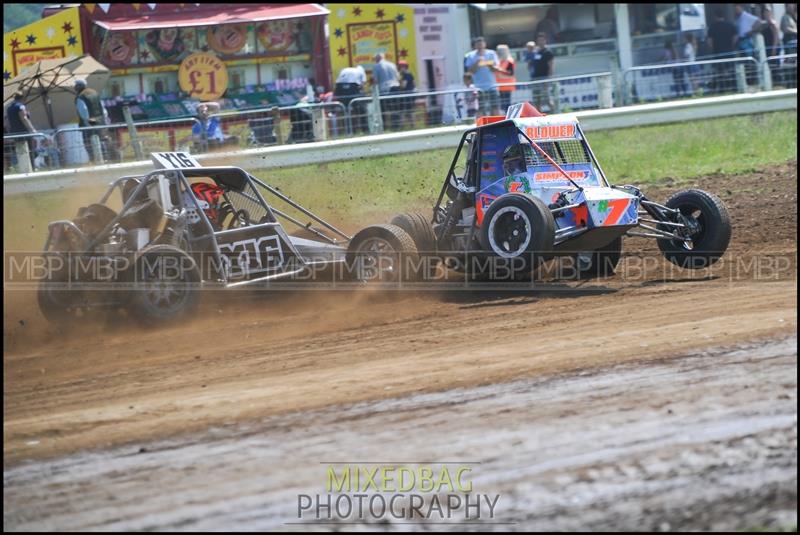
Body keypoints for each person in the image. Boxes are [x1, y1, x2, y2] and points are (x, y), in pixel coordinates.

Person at [75, 78, 112, 163]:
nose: (75, 87)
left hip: (89, 123)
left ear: (79, 86)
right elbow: (103, 108)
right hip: (100, 121)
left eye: (76, 86)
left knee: (88, 143)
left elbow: (84, 111)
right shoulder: (95, 93)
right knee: (101, 139)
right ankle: (105, 158)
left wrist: (88, 123)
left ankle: (94, 160)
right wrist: (103, 120)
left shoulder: (80, 96)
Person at [464, 36, 500, 116]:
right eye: (478, 44)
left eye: (481, 44)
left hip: (492, 86)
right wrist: (477, 63)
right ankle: (481, 127)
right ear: (475, 45)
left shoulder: (492, 53)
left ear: (485, 44)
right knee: (480, 109)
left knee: (495, 107)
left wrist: (488, 64)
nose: (480, 46)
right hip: (478, 87)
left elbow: (496, 69)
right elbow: (469, 72)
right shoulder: (470, 55)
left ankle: (498, 125)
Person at [706, 8, 738, 93]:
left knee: (719, 72)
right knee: (731, 71)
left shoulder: (712, 27)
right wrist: (731, 46)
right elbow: (735, 38)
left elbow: (710, 42)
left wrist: (713, 48)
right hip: (729, 52)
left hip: (718, 54)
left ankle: (722, 89)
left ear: (715, 16)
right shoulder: (730, 25)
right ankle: (734, 87)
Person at [6, 91, 38, 170]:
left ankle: (22, 168)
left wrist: (10, 131)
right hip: (24, 131)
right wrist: (33, 129)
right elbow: (24, 119)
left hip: (15, 132)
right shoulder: (21, 107)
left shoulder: (9, 108)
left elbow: (8, 122)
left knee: (20, 150)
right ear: (22, 98)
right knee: (31, 150)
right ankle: (32, 168)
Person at [334, 65, 367, 133]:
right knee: (361, 110)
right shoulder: (361, 71)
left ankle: (348, 130)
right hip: (352, 87)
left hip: (339, 88)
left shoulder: (346, 69)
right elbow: (363, 84)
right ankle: (365, 129)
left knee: (345, 110)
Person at [373, 53, 401, 130]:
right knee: (396, 108)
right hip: (396, 87)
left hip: (385, 89)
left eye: (375, 59)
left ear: (378, 59)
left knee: (383, 109)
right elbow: (398, 77)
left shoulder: (377, 66)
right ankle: (397, 126)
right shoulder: (392, 64)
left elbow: (375, 80)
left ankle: (384, 127)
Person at [529, 32, 555, 113]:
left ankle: (554, 112)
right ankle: (538, 115)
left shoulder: (548, 52)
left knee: (547, 98)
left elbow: (551, 67)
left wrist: (549, 79)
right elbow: (531, 63)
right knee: (537, 99)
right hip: (535, 78)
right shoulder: (535, 52)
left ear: (545, 41)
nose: (540, 42)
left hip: (544, 78)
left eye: (542, 40)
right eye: (539, 40)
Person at [495, 44, 516, 114]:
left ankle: (508, 117)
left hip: (507, 85)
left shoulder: (509, 61)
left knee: (507, 103)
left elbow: (511, 74)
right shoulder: (498, 61)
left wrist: (500, 71)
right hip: (500, 86)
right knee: (502, 104)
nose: (498, 52)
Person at [397, 60, 416, 129]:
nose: (399, 68)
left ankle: (402, 126)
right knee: (411, 111)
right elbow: (414, 84)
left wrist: (399, 81)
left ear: (404, 67)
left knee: (402, 112)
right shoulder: (410, 74)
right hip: (411, 95)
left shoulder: (405, 75)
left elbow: (403, 86)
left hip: (405, 95)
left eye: (400, 67)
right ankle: (413, 126)